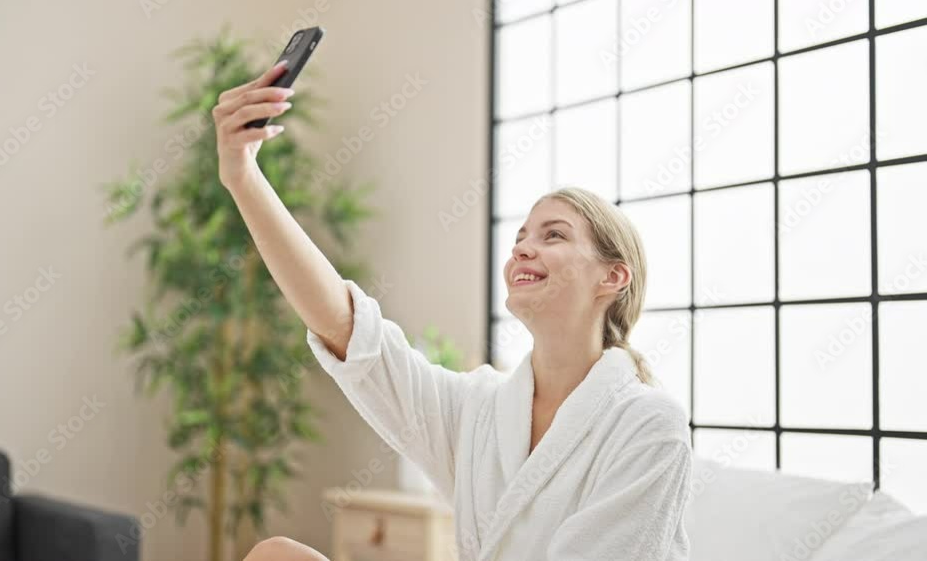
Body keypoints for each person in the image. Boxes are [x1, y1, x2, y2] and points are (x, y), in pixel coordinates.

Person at [212, 60, 693, 561]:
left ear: (613, 277)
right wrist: (243, 176)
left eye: (554, 235)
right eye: (520, 238)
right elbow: (349, 331)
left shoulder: (647, 424)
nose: (523, 250)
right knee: (277, 554)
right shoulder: (483, 410)